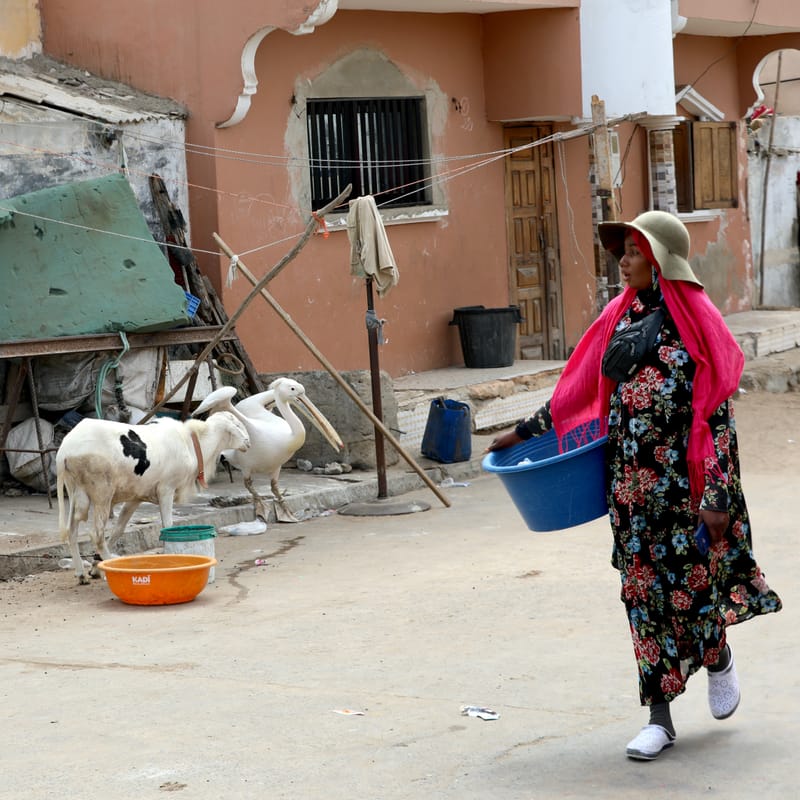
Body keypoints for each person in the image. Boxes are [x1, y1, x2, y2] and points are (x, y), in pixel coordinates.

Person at [487, 210, 782, 761]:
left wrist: (716, 494)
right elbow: (578, 386)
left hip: (685, 490)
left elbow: (716, 413)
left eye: (633, 253)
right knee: (643, 598)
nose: (622, 263)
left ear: (659, 260)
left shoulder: (696, 320)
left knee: (694, 591)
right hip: (630, 491)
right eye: (621, 252)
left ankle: (716, 655)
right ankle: (659, 719)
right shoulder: (618, 317)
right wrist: (524, 431)